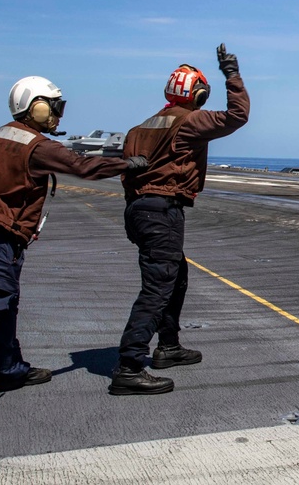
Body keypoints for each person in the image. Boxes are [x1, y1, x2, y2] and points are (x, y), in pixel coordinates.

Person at [0, 76, 150, 434]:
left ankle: (8, 370)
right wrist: (129, 165)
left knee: (3, 305)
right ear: (35, 105)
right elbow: (84, 166)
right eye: (53, 107)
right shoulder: (35, 146)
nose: (56, 114)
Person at [110, 44, 249, 396]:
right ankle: (129, 365)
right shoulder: (191, 119)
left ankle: (168, 346)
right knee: (158, 286)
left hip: (140, 210)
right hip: (162, 211)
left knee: (176, 276)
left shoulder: (140, 127)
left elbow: (127, 175)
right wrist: (232, 74)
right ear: (198, 94)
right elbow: (238, 116)